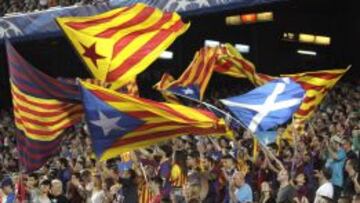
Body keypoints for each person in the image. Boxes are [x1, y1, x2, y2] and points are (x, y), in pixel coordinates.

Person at [325, 135, 347, 201]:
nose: (331, 145)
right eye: (330, 143)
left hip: (338, 182)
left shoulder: (342, 152)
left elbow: (336, 157)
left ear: (337, 143)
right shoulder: (331, 154)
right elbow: (327, 165)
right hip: (331, 181)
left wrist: (328, 147)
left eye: (332, 143)